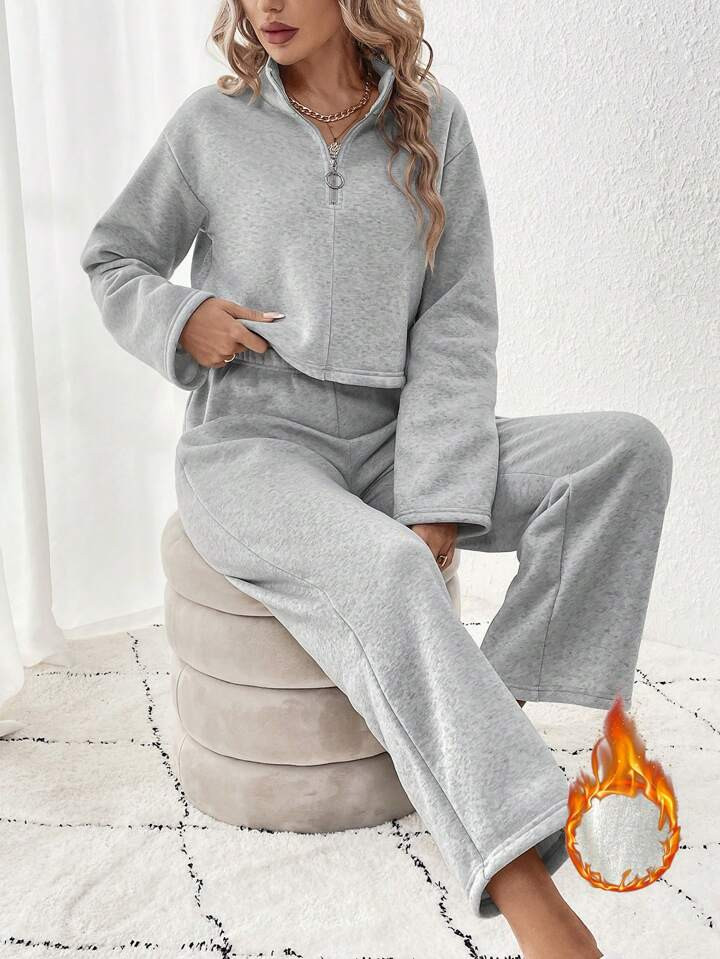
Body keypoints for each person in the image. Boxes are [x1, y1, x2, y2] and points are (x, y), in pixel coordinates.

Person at [79, 2, 672, 957]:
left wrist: (436, 492)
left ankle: (492, 720)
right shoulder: (212, 125)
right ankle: (529, 892)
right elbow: (114, 257)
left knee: (624, 452)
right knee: (394, 571)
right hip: (254, 445)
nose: (268, 6)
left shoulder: (433, 123)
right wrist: (183, 316)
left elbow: (458, 316)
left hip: (395, 439)